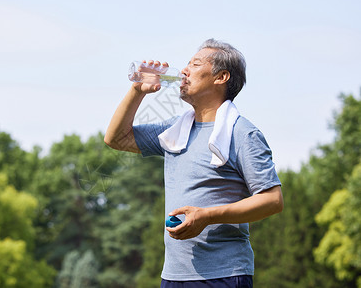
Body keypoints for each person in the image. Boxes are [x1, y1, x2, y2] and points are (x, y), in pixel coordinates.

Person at [104, 38, 284, 288]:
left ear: (221, 77)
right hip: (174, 275)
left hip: (223, 274)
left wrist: (207, 216)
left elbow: (272, 200)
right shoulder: (175, 131)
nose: (184, 70)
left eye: (195, 64)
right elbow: (116, 138)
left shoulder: (243, 134)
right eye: (187, 63)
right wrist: (137, 91)